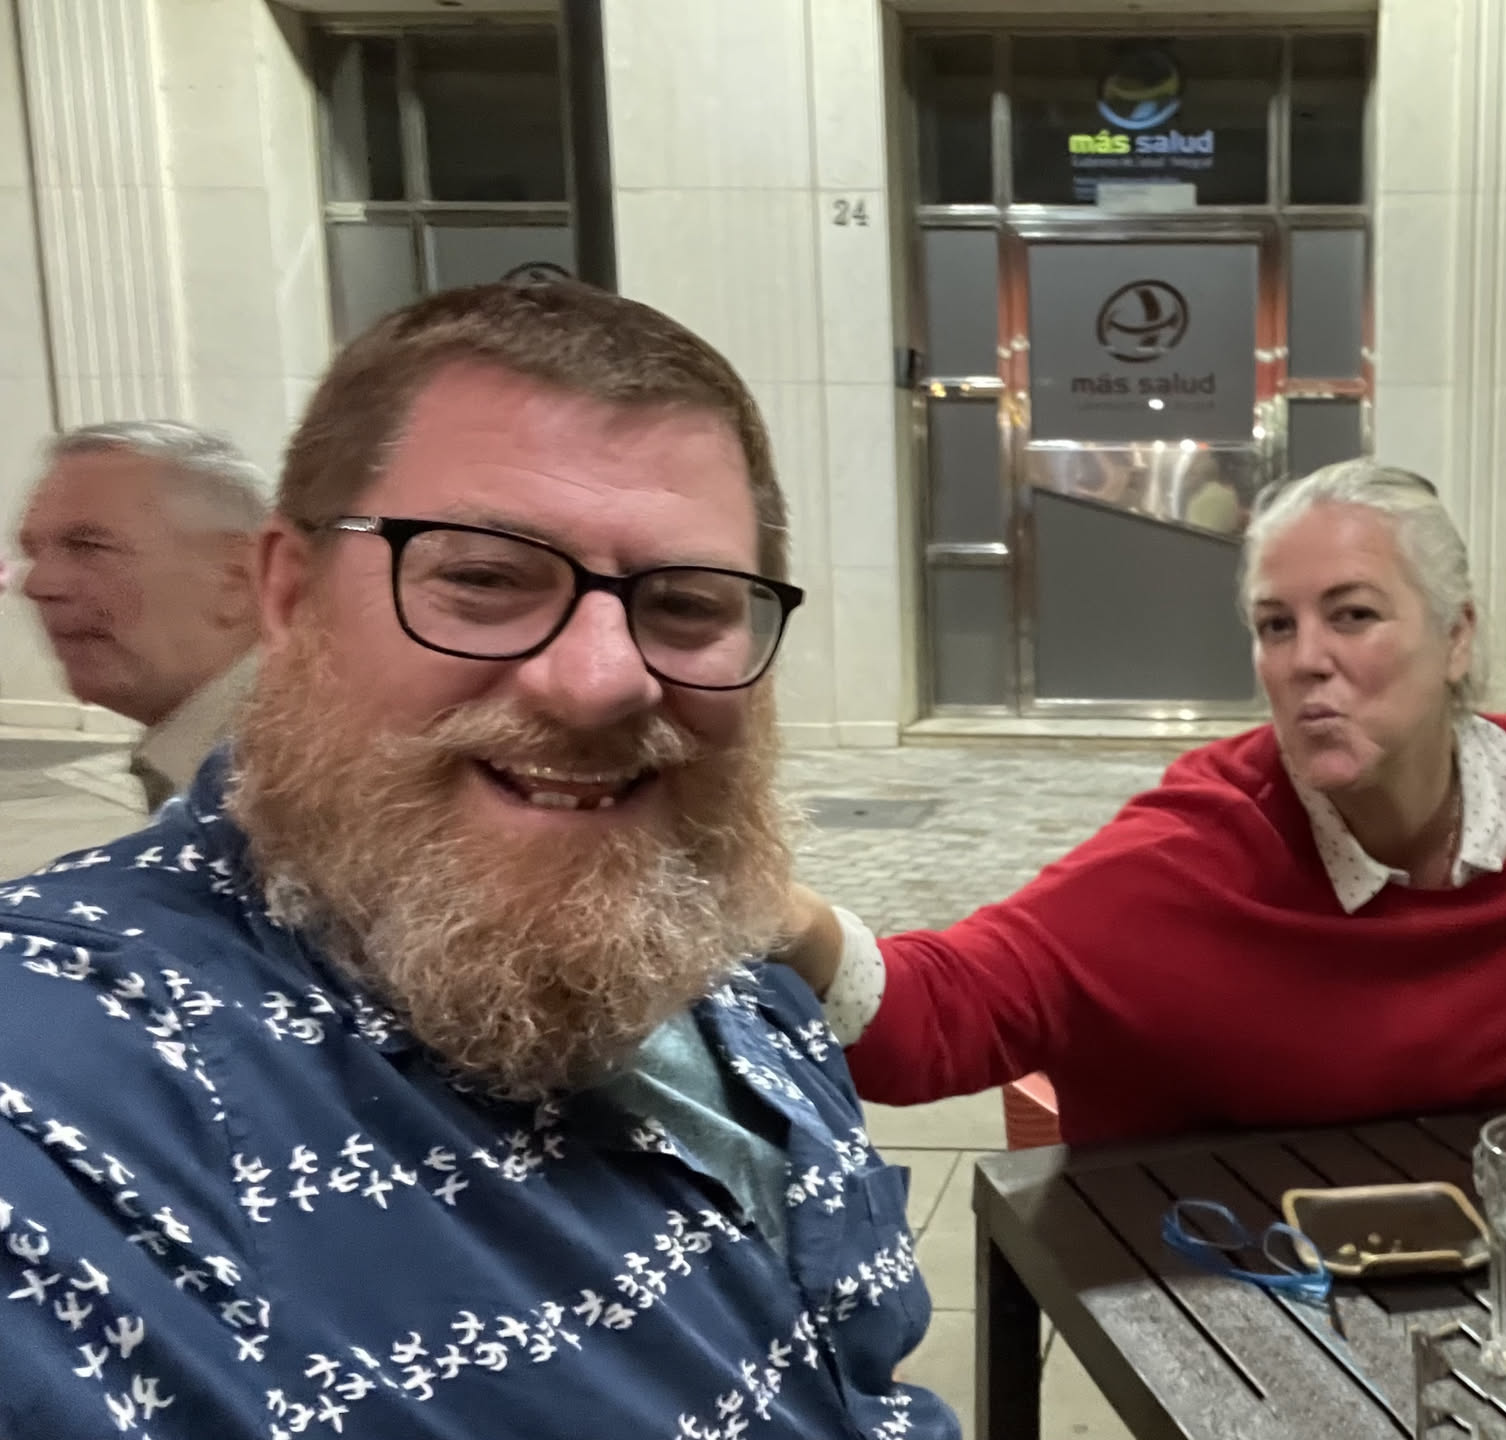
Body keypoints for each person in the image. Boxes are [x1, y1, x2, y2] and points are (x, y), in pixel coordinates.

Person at [0, 282, 955, 1439]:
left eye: (685, 604)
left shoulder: (710, 954)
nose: (603, 679)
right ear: (290, 595)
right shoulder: (72, 1077)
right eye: (486, 579)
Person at [781, 461, 1506, 1144]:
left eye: (1352, 614)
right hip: (1233, 1271)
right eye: (1275, 626)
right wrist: (794, 926)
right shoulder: (1184, 860)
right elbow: (948, 1012)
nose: (1306, 659)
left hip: (1505, 1262)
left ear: (1456, 637)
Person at [15, 421, 267, 808]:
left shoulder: (295, 782)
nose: (37, 584)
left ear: (236, 576)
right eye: (33, 552)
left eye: (88, 546)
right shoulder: (206, 760)